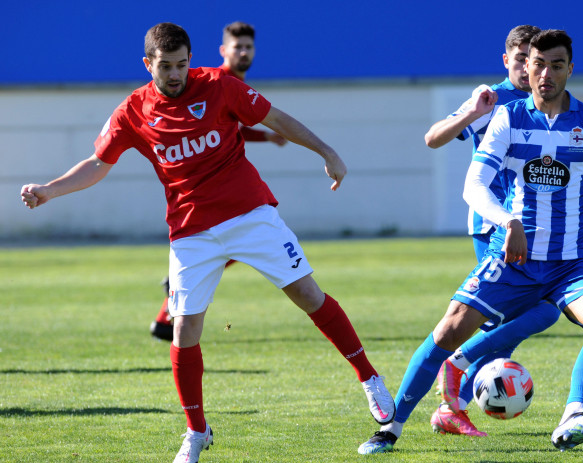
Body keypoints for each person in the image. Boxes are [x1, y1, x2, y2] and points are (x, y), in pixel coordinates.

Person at [20, 22, 395, 463]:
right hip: (191, 232)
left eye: (182, 64)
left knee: (308, 294)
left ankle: (368, 377)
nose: (176, 74)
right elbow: (98, 163)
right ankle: (196, 431)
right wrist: (49, 189)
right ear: (148, 65)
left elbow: (275, 118)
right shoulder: (132, 111)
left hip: (250, 214)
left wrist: (327, 152)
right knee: (183, 330)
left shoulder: (220, 85)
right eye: (166, 67)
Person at [358, 29, 583, 454]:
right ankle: (389, 429)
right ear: (523, 65)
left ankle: (573, 415)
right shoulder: (507, 116)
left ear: (570, 69)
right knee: (449, 328)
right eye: (537, 64)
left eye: (556, 65)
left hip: (570, 263)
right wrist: (508, 220)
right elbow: (473, 185)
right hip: (513, 254)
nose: (544, 73)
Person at [423, 24, 561, 437]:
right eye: (519, 59)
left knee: (515, 318)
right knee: (509, 315)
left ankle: (456, 397)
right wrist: (472, 113)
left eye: (532, 60)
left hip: (535, 229)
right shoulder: (492, 99)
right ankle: (455, 396)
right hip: (493, 225)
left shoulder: (546, 102)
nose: (527, 68)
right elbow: (432, 138)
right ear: (507, 60)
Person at [150, 21, 286, 342]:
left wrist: (266, 136)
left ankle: (162, 320)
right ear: (223, 51)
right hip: (204, 191)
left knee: (237, 242)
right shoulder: (219, 81)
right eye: (237, 47)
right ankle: (168, 309)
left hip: (224, 186)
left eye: (248, 47)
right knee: (242, 237)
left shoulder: (235, 82)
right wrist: (268, 136)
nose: (243, 52)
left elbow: (234, 129)